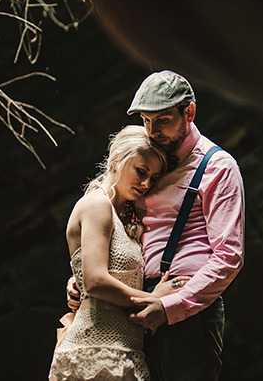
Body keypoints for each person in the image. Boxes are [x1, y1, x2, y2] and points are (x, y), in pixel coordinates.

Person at [68, 70, 246, 380]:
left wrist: (169, 307)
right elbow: (113, 230)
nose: (152, 131)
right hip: (130, 305)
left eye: (162, 120)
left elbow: (228, 255)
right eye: (146, 121)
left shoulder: (217, 166)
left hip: (186, 307)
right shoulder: (144, 160)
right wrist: (83, 278)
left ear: (188, 112)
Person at [49, 125, 190, 381]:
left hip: (126, 351)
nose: (147, 183)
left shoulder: (127, 217)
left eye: (154, 177)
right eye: (141, 171)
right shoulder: (97, 204)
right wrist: (154, 299)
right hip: (96, 351)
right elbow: (94, 281)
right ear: (116, 161)